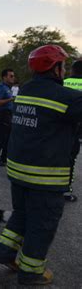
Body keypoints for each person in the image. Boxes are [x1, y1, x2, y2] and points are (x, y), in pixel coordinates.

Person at [0, 45, 82, 285]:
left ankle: (4, 252)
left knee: (21, 215)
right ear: (56, 68)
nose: (64, 70)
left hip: (18, 171)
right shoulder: (66, 97)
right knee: (43, 224)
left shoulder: (26, 90)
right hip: (45, 176)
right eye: (62, 66)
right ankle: (31, 271)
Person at [63, 59, 82, 202]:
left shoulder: (63, 82)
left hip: (60, 126)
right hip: (77, 128)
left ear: (72, 70)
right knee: (71, 159)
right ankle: (66, 189)